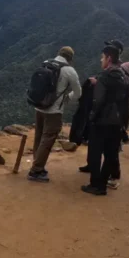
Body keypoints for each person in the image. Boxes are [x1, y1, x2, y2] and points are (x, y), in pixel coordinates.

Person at [81, 41, 129, 196]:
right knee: (110, 154)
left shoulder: (104, 76)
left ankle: (95, 184)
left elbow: (99, 100)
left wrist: (92, 117)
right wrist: (123, 123)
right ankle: (102, 184)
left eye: (102, 58)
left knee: (95, 153)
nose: (101, 60)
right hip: (117, 123)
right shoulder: (124, 77)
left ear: (109, 58)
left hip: (102, 121)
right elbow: (126, 102)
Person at [28, 46, 81, 183]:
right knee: (48, 138)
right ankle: (36, 170)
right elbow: (78, 93)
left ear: (59, 54)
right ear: (70, 58)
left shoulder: (46, 62)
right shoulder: (70, 71)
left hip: (39, 106)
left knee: (39, 137)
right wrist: (67, 98)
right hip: (54, 111)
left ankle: (37, 163)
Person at [106, 61, 129, 190]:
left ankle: (114, 177)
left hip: (117, 122)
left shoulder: (125, 87)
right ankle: (112, 174)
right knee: (114, 149)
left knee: (113, 150)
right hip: (121, 122)